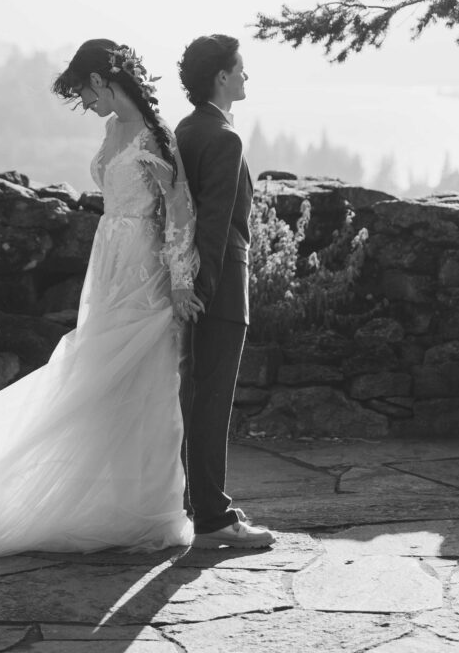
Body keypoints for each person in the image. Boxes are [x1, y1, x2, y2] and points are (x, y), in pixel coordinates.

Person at [0, 39, 202, 558]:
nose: (87, 106)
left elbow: (180, 209)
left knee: (142, 381)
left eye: (84, 95)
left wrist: (182, 279)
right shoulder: (113, 128)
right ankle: (105, 504)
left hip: (143, 267)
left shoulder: (154, 137)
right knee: (97, 379)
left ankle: (147, 509)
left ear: (100, 80)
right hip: (109, 258)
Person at [175, 35, 274, 549]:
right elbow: (213, 226)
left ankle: (197, 506)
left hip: (185, 284)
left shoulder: (185, 131)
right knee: (211, 403)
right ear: (221, 77)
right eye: (240, 69)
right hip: (217, 290)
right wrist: (203, 291)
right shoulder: (225, 138)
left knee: (193, 399)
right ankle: (213, 518)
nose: (245, 77)